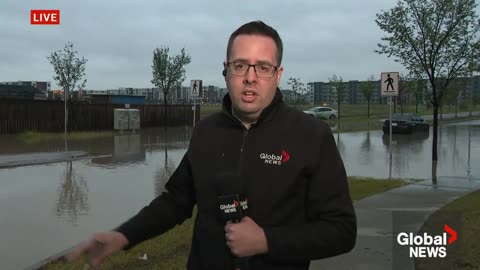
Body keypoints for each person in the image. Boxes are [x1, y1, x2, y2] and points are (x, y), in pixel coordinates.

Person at [66, 20, 356, 270]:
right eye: (240, 65)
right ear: (226, 70)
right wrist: (123, 236)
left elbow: (341, 230)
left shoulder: (311, 135)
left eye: (263, 67)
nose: (250, 78)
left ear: (278, 75)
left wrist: (267, 241)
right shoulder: (206, 131)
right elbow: (175, 202)